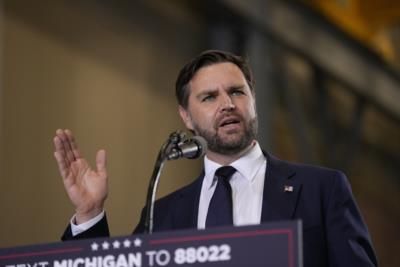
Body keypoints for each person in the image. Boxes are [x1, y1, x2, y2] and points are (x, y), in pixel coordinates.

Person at [54, 50, 378, 266]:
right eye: (209, 97)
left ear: (253, 100)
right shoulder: (164, 215)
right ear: (186, 117)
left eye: (237, 92)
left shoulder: (321, 189)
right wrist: (90, 213)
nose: (227, 104)